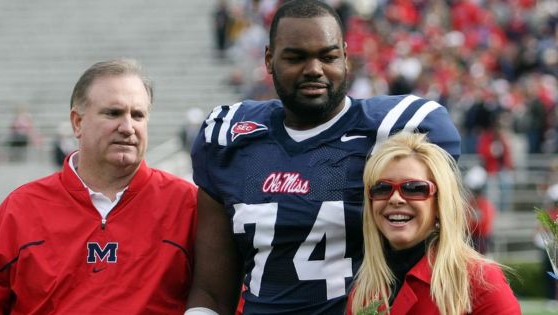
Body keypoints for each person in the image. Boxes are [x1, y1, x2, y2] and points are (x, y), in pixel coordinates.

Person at [186, 1, 460, 314]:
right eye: (296, 57)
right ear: (269, 59)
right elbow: (210, 288)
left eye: (328, 56)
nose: (314, 69)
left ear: (345, 57)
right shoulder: (230, 138)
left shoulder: (390, 129)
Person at [0, 59, 198, 314]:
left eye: (138, 115)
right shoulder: (21, 209)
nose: (128, 127)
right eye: (113, 113)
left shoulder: (189, 205)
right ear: (77, 123)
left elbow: (229, 298)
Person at [347, 132, 520, 315]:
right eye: (382, 188)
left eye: (414, 188)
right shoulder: (364, 292)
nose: (395, 198)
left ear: (440, 203)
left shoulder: (481, 283)